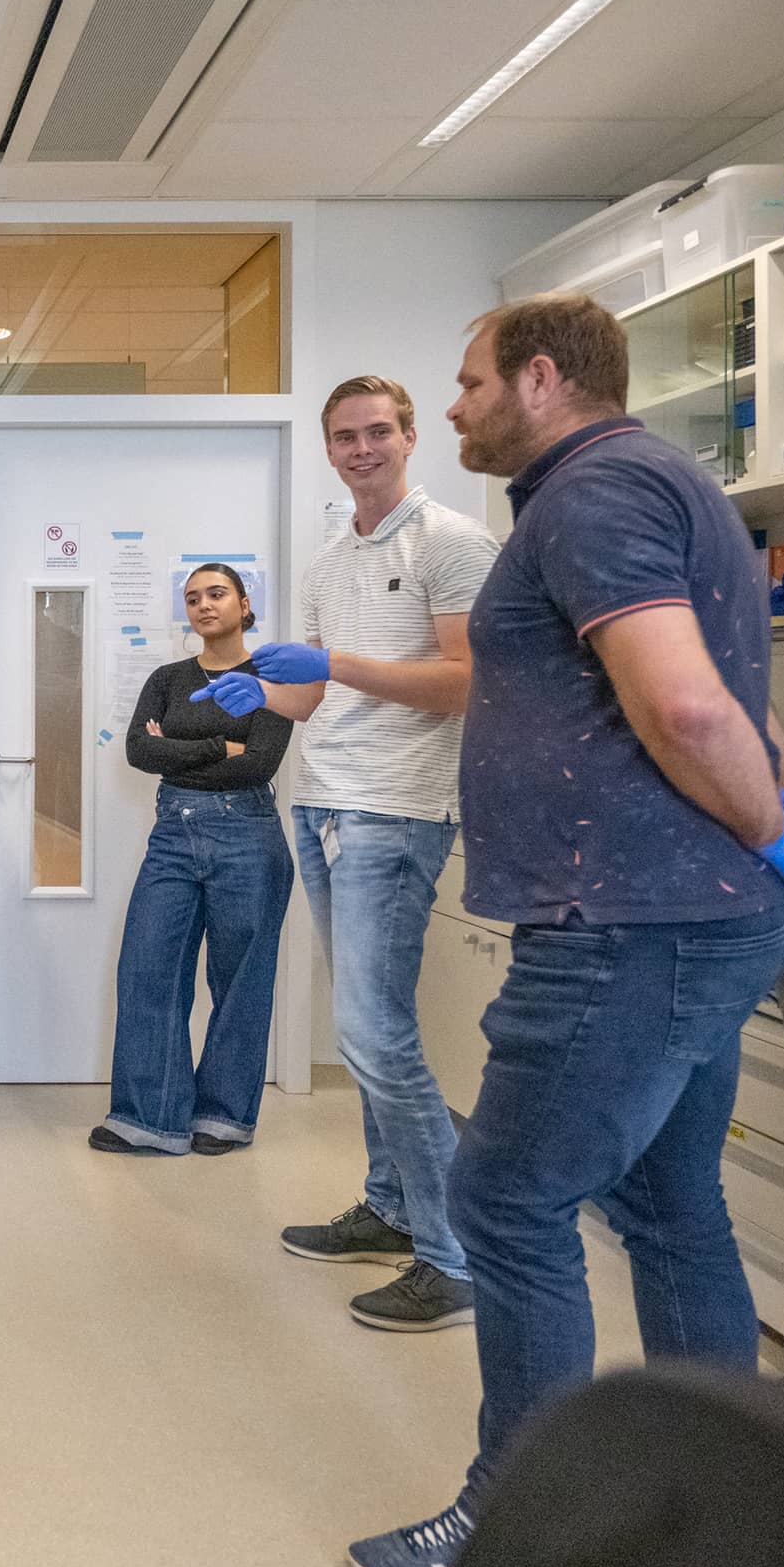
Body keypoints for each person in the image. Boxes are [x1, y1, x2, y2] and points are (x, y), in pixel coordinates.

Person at [340, 294, 784, 1567]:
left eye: (468, 382)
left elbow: (689, 700)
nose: (456, 406)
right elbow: (728, 690)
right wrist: (775, 820)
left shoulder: (589, 496)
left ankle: (521, 1530)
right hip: (690, 912)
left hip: (627, 928)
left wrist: (766, 814)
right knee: (663, 1200)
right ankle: (735, 1502)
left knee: (509, 1199)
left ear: (539, 379)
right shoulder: (660, 483)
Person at [202, 374, 505, 1332]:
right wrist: (266, 693)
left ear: (411, 437)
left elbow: (465, 683)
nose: (361, 448)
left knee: (377, 1034)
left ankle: (454, 1254)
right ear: (328, 448)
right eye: (345, 436)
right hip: (323, 802)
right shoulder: (331, 556)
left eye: (379, 431)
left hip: (396, 810)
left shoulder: (452, 542)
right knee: (360, 1027)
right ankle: (389, 1207)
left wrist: (330, 665)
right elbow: (313, 694)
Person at [91, 564, 304, 1156]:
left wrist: (175, 750)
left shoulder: (271, 676)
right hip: (173, 834)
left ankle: (224, 1116)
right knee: (148, 969)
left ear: (243, 602)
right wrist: (217, 745)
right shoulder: (167, 677)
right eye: (192, 598)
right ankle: (148, 1118)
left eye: (216, 594)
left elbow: (258, 763)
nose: (204, 605)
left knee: (241, 980)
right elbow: (138, 749)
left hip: (249, 833)